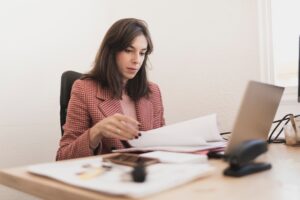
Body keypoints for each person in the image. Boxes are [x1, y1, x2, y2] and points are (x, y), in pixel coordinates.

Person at [56, 18, 165, 160]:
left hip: (147, 176)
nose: (137, 60)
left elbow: (163, 146)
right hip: (105, 177)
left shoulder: (152, 92)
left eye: (142, 53)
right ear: (111, 51)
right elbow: (63, 157)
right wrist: (96, 132)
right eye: (128, 50)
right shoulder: (84, 89)